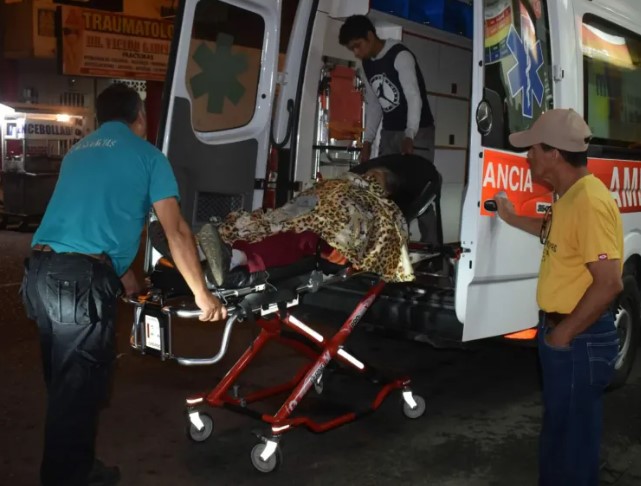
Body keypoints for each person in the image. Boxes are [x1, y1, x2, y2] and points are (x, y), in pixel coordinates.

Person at [21, 83, 226, 486]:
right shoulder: (149, 156)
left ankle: (79, 467)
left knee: (65, 386)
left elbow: (89, 218)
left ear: (99, 118)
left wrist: (126, 275)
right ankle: (68, 477)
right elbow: (176, 231)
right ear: (141, 117)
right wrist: (203, 295)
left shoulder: (77, 152)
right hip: (77, 284)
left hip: (40, 275)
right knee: (76, 390)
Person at [494, 108, 623, 485]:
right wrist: (510, 216)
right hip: (567, 336)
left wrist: (562, 336)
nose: (527, 157)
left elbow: (609, 283)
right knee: (559, 435)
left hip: (579, 340)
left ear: (554, 153)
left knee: (572, 446)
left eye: (533, 149)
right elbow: (553, 232)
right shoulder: (569, 195)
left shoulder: (588, 201)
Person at [339, 15, 440, 245]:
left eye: (357, 45)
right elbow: (375, 105)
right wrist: (368, 140)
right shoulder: (366, 65)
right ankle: (392, 244)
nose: (356, 52)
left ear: (370, 36)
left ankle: (433, 247)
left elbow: (414, 97)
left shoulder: (400, 55)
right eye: (352, 48)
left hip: (418, 131)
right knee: (386, 190)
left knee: (420, 189)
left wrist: (410, 134)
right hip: (390, 131)